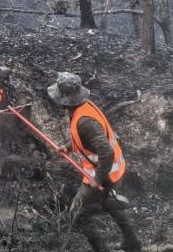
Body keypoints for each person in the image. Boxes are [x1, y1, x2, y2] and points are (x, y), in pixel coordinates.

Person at [48, 72, 142, 252]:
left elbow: (106, 152)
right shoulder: (85, 107)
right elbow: (88, 140)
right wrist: (68, 147)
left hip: (104, 173)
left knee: (77, 214)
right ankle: (133, 243)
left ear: (66, 98)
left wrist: (97, 179)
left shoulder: (85, 122)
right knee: (110, 203)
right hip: (113, 170)